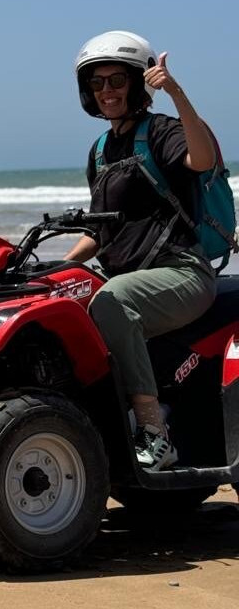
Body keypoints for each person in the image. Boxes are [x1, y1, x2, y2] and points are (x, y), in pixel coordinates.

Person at [63, 30, 217, 470]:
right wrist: (49, 267)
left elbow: (201, 160)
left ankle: (153, 430)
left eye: (116, 80)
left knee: (112, 300)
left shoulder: (162, 131)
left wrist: (175, 91)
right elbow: (101, 231)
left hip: (182, 272)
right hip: (127, 276)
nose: (107, 91)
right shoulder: (99, 152)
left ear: (136, 82)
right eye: (97, 83)